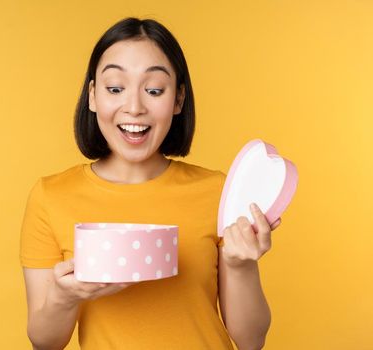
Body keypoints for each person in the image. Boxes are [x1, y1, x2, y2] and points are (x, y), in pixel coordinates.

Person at [20, 17, 282, 350]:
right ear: (93, 97)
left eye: (154, 90)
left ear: (178, 100)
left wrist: (240, 263)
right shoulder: (51, 196)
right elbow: (45, 342)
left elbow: (251, 340)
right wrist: (63, 296)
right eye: (115, 88)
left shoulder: (219, 191)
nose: (134, 107)